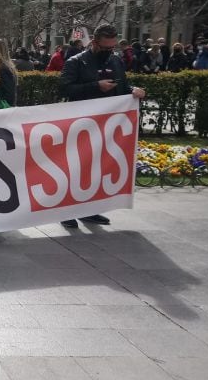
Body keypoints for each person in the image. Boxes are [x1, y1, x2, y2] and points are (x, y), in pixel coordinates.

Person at [58, 24, 146, 228]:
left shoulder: (115, 61)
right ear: (94, 43)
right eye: (106, 48)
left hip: (106, 127)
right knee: (75, 168)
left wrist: (133, 90)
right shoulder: (76, 62)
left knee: (97, 168)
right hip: (80, 124)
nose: (110, 52)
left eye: (113, 47)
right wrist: (95, 86)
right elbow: (65, 88)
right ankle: (66, 211)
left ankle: (90, 210)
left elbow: (122, 86)